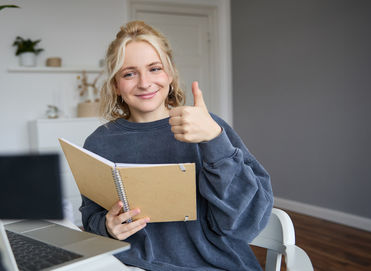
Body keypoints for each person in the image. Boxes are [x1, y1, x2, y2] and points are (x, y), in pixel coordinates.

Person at [80, 20, 274, 270]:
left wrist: (214, 141)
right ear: (116, 85)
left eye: (155, 68)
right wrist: (107, 226)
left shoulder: (207, 126)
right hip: (131, 265)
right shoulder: (99, 142)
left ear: (170, 74)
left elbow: (246, 220)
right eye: (129, 73)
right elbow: (91, 215)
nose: (144, 82)